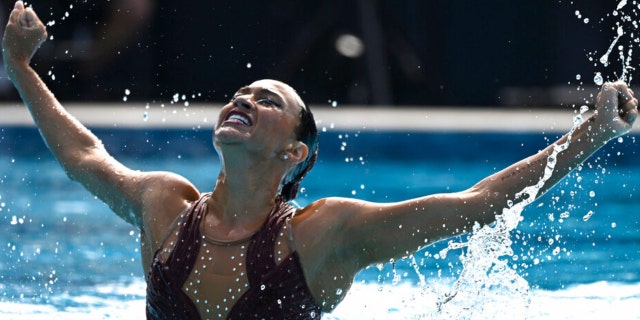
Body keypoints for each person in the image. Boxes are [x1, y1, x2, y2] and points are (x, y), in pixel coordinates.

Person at [3, 2, 638, 319]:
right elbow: (83, 155)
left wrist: (592, 133)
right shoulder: (165, 206)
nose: (244, 98)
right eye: (241, 93)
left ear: (293, 152)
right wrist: (21, 66)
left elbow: (476, 205)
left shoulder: (323, 236)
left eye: (267, 99)